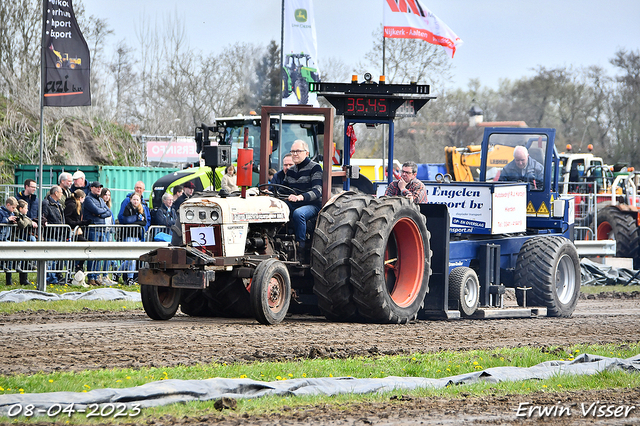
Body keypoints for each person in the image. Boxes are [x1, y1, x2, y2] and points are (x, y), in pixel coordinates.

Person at [282, 140, 322, 249]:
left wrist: (300, 197)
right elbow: (283, 190)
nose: (295, 154)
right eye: (293, 151)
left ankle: (301, 247)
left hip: (312, 204)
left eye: (298, 151)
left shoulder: (315, 168)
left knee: (299, 214)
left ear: (307, 153)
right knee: (277, 209)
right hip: (294, 203)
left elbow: (317, 191)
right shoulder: (290, 171)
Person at [83, 181, 112, 286]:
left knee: (100, 254)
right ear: (91, 188)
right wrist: (100, 212)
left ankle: (96, 276)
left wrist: (99, 214)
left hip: (102, 229)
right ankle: (91, 277)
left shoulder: (100, 199)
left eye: (100, 187)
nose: (99, 189)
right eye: (96, 187)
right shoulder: (88, 199)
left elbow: (108, 212)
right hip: (93, 229)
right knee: (93, 254)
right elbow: (97, 210)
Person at [120, 193, 146, 285]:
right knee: (130, 258)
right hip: (129, 235)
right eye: (134, 199)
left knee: (134, 257)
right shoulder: (128, 208)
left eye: (137, 200)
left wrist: (136, 221)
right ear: (131, 200)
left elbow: (144, 222)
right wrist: (137, 219)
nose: (135, 201)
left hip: (137, 236)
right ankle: (128, 276)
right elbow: (127, 221)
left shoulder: (141, 209)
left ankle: (119, 272)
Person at [41, 186, 65, 285]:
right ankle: (49, 278)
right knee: (50, 258)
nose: (62, 194)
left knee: (56, 257)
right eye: (61, 192)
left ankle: (54, 277)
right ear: (55, 193)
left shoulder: (58, 204)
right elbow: (43, 216)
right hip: (51, 234)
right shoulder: (46, 203)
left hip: (59, 234)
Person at [11, 200, 34, 285]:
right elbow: (23, 224)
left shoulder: (23, 216)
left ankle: (24, 277)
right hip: (14, 239)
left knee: (31, 241)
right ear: (20, 208)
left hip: (20, 238)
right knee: (24, 246)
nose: (27, 210)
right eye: (26, 208)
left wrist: (27, 221)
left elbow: (29, 221)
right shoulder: (15, 215)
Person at [1, 197, 18, 286]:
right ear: (8, 205)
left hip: (6, 238)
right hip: (1, 238)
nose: (14, 210)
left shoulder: (11, 213)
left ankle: (9, 280)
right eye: (13, 207)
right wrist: (7, 220)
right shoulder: (1, 212)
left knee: (10, 258)